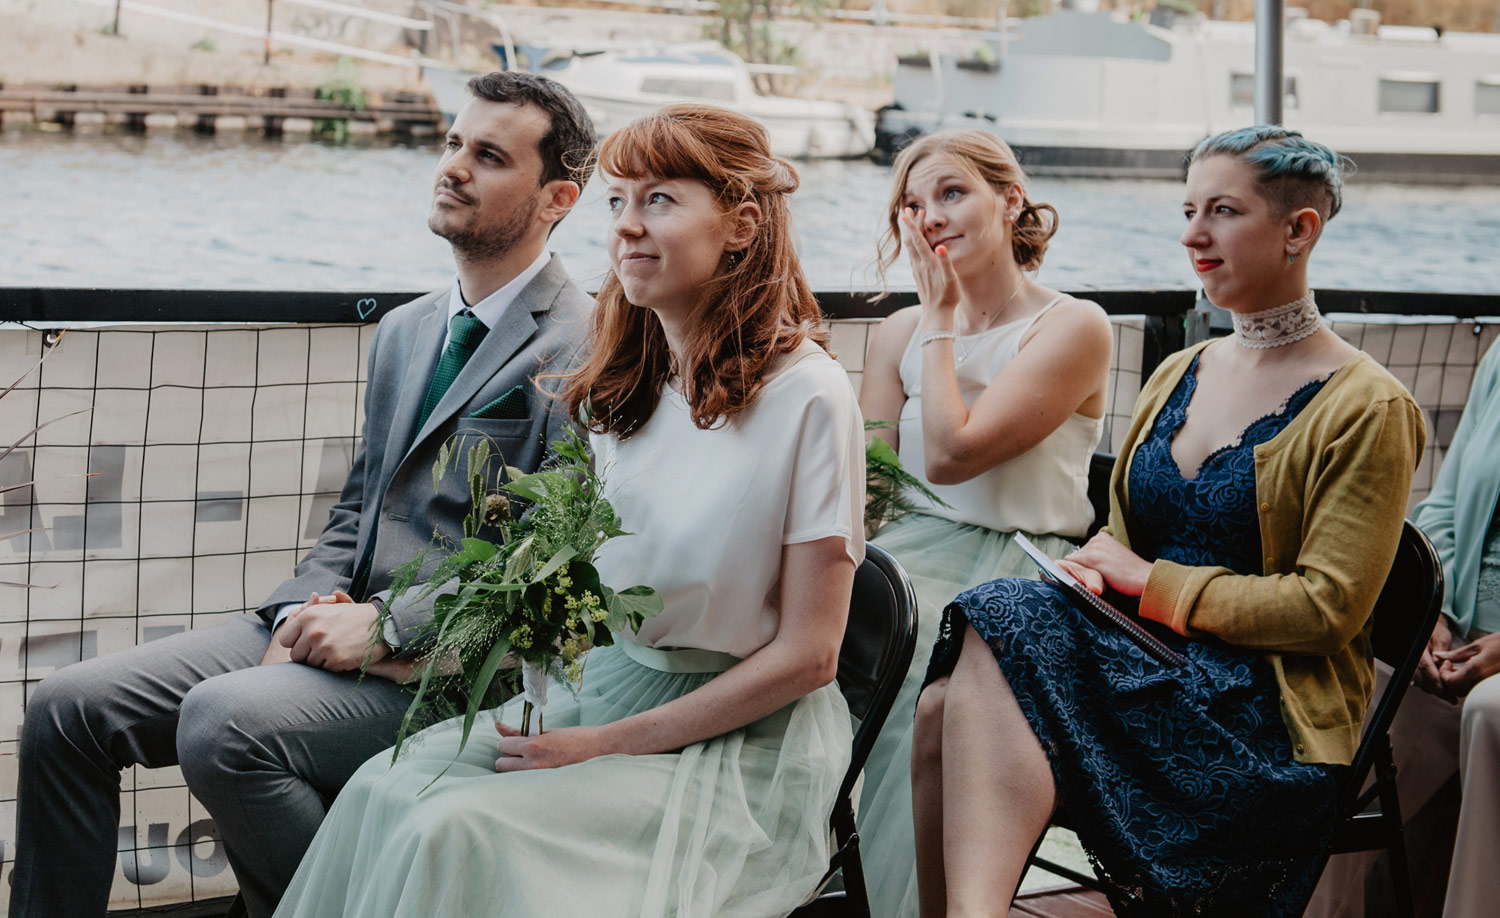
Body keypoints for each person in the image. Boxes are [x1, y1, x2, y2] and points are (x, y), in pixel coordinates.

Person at [9, 71, 597, 918]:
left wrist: (383, 630)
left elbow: (545, 572)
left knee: (221, 720)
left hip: (458, 665)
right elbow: (359, 510)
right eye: (453, 144)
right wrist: (296, 616)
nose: (455, 167)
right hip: (331, 619)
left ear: (558, 198)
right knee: (66, 710)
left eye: (490, 156)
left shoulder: (590, 346)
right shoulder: (407, 330)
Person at [270, 103, 866, 918]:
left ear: (742, 224)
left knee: (454, 830)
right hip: (604, 689)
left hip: (737, 744)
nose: (625, 227)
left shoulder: (809, 397)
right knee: (384, 789)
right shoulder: (630, 384)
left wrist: (598, 746)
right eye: (617, 202)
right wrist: (401, 646)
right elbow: (574, 604)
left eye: (660, 200)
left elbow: (809, 656)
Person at [910, 126, 1425, 916]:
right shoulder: (1180, 371)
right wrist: (1094, 571)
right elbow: (1120, 538)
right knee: (948, 696)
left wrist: (1150, 582)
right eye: (1188, 210)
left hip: (1263, 721)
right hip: (1145, 665)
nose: (1192, 234)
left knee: (996, 619)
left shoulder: (1370, 405)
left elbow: (1327, 611)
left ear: (1299, 230)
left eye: (1222, 211)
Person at [854, 130, 1112, 917]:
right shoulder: (895, 330)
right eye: (912, 203)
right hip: (905, 554)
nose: (929, 216)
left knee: (910, 685)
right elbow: (872, 482)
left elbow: (953, 456)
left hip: (1021, 569)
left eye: (952, 192)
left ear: (1010, 198)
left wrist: (938, 321)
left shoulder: (1072, 326)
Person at [1310, 336, 1500, 918]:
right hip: (1454, 636)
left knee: (1486, 712)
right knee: (1344, 705)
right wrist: (1432, 616)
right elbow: (1441, 506)